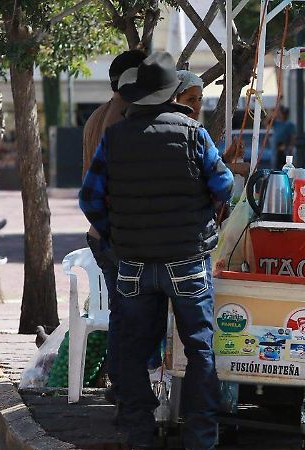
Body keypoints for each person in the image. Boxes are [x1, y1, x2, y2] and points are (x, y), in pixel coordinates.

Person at [80, 52, 233, 449]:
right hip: (186, 259)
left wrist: (118, 235)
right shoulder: (192, 132)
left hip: (132, 263)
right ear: (171, 94)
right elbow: (223, 185)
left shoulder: (115, 137)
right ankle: (199, 437)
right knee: (199, 349)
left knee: (132, 349)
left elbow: (90, 199)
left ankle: (138, 434)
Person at [80, 48, 146, 408]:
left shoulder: (96, 116)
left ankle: (121, 383)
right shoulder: (123, 116)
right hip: (118, 234)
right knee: (132, 315)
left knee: (123, 313)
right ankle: (125, 387)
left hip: (101, 233)